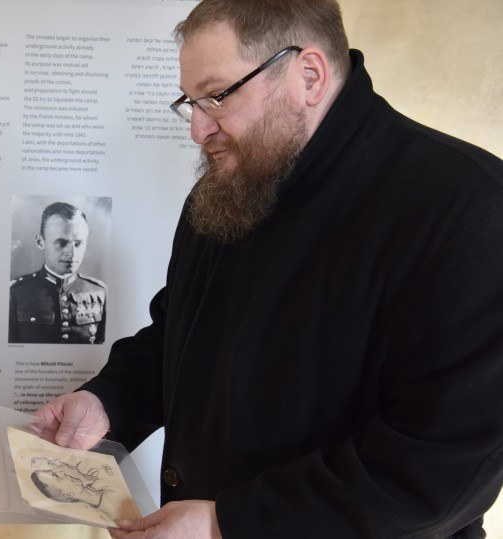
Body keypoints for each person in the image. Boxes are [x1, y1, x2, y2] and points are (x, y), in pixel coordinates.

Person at [33, 1, 503, 537]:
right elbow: (180, 341)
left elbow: (440, 473)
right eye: (190, 102)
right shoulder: (229, 190)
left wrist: (226, 524)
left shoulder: (470, 211)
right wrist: (106, 401)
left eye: (216, 96)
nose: (198, 129)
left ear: (308, 75)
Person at [9, 202, 106, 344]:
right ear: (40, 242)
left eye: (78, 244)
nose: (72, 253)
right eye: (61, 243)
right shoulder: (16, 292)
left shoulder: (100, 292)